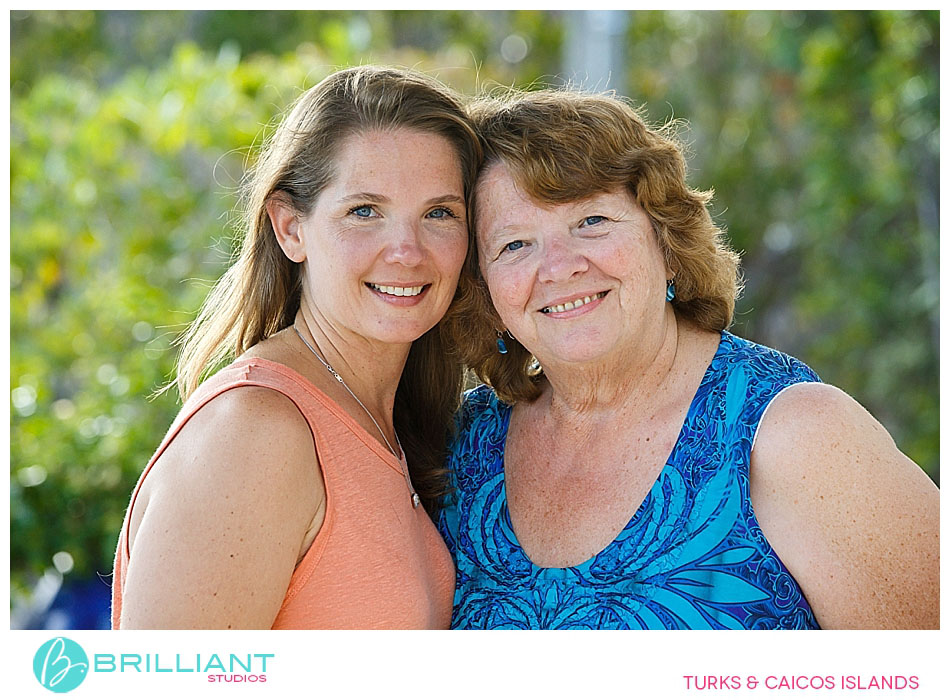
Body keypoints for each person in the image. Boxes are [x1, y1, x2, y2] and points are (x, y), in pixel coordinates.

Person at [439, 88, 939, 629]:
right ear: (483, 290)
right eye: (514, 245)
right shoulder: (458, 449)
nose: (559, 267)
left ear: (666, 239)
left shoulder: (796, 435)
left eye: (592, 222)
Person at [111, 66, 481, 629]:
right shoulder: (255, 433)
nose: (406, 251)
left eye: (439, 213)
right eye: (364, 211)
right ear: (290, 228)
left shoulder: (388, 422)